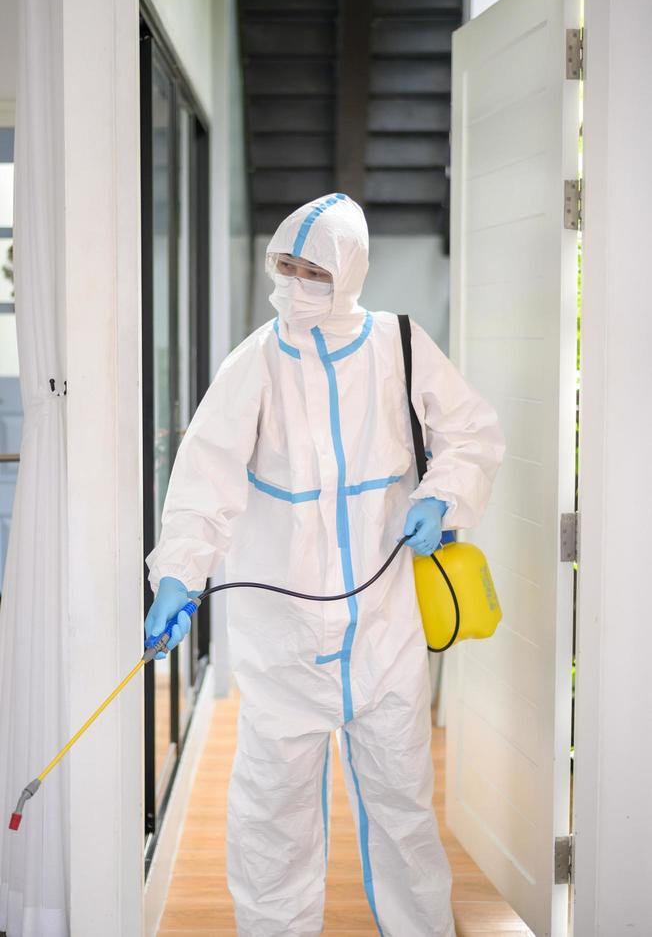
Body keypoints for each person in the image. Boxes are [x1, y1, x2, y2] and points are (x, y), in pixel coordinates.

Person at [145, 193, 505, 937]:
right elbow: (202, 480)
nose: (296, 281)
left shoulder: (399, 345)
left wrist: (442, 497)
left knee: (403, 808)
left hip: (385, 628)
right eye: (286, 265)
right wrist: (179, 574)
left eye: (315, 270)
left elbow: (472, 434)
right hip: (283, 638)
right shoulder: (255, 363)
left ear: (349, 274)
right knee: (272, 820)